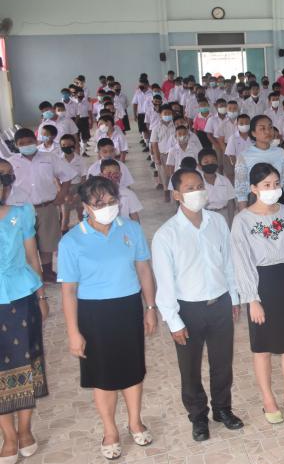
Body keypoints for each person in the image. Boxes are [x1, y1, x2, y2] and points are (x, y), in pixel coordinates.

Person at [58, 176, 157, 461]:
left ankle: (135, 422)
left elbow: (144, 270)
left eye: (112, 201)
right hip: (94, 314)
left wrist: (150, 307)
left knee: (133, 369)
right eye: (99, 203)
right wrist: (73, 332)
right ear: (86, 206)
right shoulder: (72, 241)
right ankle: (110, 430)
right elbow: (69, 292)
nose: (107, 208)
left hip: (128, 307)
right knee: (103, 376)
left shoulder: (131, 229)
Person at [151, 169, 243, 442]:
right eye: (190, 188)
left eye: (200, 186)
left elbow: (228, 262)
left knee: (222, 362)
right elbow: (165, 282)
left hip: (220, 302)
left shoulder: (217, 222)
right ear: (176, 195)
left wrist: (234, 297)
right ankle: (198, 415)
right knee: (189, 367)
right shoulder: (166, 235)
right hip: (188, 309)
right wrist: (173, 320)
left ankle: (222, 409)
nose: (197, 192)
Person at [231, 163, 284, 423]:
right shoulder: (243, 220)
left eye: (276, 184)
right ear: (254, 188)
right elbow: (241, 261)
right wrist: (252, 299)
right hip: (261, 284)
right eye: (266, 185)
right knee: (262, 346)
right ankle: (268, 399)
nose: (273, 189)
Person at [0, 160, 49, 463]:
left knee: (26, 360)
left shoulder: (21, 214)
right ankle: (8, 436)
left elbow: (32, 257)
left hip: (21, 297)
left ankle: (25, 428)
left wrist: (42, 295)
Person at [7, 128, 77, 282]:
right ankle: (29, 272)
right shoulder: (11, 162)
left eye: (30, 141)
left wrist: (62, 194)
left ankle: (47, 271)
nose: (27, 145)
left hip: (46, 206)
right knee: (23, 242)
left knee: (47, 240)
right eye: (22, 143)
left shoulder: (49, 158)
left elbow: (67, 175)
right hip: (20, 209)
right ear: (16, 145)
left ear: (36, 140)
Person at [234, 116, 284, 209]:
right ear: (253, 133)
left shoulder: (281, 153)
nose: (267, 131)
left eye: (270, 127)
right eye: (262, 128)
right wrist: (243, 213)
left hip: (279, 199)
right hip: (256, 201)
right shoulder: (244, 156)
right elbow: (241, 190)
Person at [198, 148, 236, 227]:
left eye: (213, 161)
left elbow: (231, 203)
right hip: (205, 215)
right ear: (200, 166)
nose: (210, 164)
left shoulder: (225, 181)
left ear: (217, 163)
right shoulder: (198, 183)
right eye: (206, 162)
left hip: (224, 214)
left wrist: (231, 222)